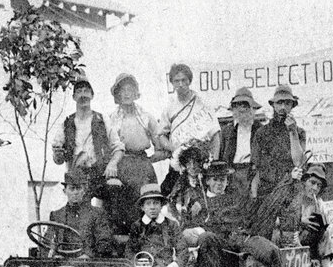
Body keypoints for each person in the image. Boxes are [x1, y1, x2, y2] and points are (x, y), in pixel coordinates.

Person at [188, 161, 298, 267]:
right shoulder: (199, 202)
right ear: (207, 181)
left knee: (271, 250)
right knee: (206, 237)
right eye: (215, 179)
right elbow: (189, 228)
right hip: (221, 247)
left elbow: (255, 209)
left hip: (242, 238)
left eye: (223, 179)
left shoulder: (236, 198)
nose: (219, 183)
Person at [107, 73, 166, 235]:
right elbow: (107, 147)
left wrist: (149, 159)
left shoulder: (146, 116)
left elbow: (160, 145)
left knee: (148, 204)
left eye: (130, 89)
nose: (126, 94)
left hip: (143, 166)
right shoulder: (111, 119)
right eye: (122, 90)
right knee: (121, 208)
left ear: (136, 93)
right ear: (117, 94)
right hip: (122, 165)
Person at [50, 76, 125, 201]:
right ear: (74, 97)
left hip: (100, 172)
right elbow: (58, 160)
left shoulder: (102, 119)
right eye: (79, 92)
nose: (83, 95)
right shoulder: (66, 123)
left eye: (86, 91)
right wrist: (57, 154)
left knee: (113, 198)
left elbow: (118, 147)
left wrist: (112, 164)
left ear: (92, 95)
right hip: (77, 176)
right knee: (81, 213)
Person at [158, 63, 220, 196]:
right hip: (179, 162)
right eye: (176, 81)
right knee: (172, 195)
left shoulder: (202, 104)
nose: (180, 84)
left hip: (200, 161)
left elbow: (215, 135)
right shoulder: (169, 107)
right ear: (172, 83)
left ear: (189, 81)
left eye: (184, 80)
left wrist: (213, 161)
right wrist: (174, 148)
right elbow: (161, 135)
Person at [278, 163, 333, 267]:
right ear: (304, 181)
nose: (315, 188)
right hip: (289, 240)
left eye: (319, 185)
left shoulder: (318, 203)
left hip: (306, 242)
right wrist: (299, 221)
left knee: (326, 232)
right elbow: (276, 221)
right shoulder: (293, 197)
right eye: (312, 183)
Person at [125, 184, 189, 267]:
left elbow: (183, 250)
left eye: (156, 203)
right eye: (148, 204)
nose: (152, 207)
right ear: (142, 207)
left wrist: (173, 266)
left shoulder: (171, 225)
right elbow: (130, 251)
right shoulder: (137, 226)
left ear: (161, 206)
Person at [252, 85, 306, 201]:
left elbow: (298, 162)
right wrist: (254, 196)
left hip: (290, 191)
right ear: (273, 105)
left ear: (292, 106)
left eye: (287, 103)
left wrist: (293, 132)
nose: (283, 107)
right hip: (267, 192)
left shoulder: (299, 133)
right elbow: (255, 168)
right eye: (279, 103)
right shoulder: (262, 133)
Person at [48, 171, 115, 258]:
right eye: (72, 189)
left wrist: (89, 255)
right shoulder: (57, 215)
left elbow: (104, 242)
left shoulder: (97, 214)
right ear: (65, 191)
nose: (75, 192)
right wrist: (54, 255)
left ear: (84, 191)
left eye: (78, 188)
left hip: (87, 265)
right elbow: (47, 241)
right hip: (62, 263)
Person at [215, 87, 263, 200]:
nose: (241, 109)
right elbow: (220, 156)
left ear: (252, 108)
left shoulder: (261, 130)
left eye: (245, 106)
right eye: (237, 106)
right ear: (233, 109)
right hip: (231, 174)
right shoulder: (226, 131)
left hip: (253, 173)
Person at [166, 141, 210, 245]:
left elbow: (212, 198)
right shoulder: (181, 183)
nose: (193, 166)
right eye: (189, 163)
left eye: (196, 162)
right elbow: (173, 202)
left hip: (206, 223)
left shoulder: (206, 181)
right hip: (185, 223)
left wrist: (201, 203)